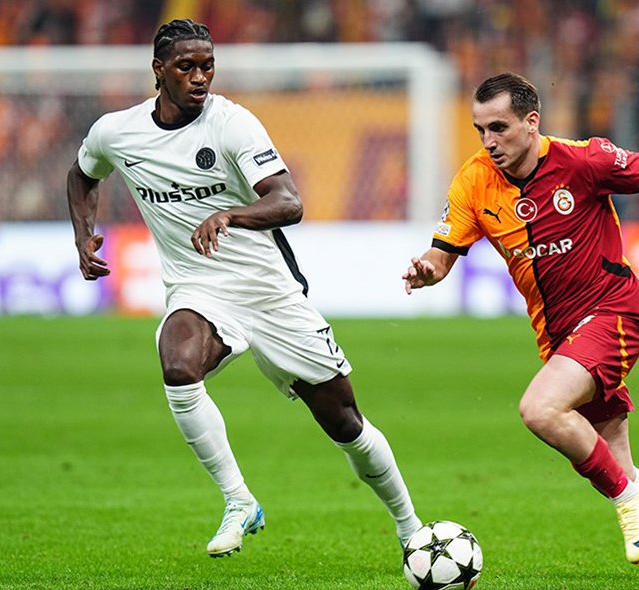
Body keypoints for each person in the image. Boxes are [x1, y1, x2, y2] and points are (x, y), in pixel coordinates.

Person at [402, 73, 639, 590]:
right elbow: (442, 255)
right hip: (560, 339)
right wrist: (427, 271)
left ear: (531, 122)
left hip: (614, 312)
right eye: (480, 130)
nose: (489, 141)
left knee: (540, 410)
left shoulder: (584, 161)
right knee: (618, 465)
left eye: (499, 127)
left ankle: (627, 500)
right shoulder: (473, 182)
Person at [66, 18, 421, 558]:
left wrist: (229, 215)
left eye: (207, 66)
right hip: (198, 287)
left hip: (269, 292)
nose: (200, 77)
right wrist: (82, 234)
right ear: (159, 70)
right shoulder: (117, 132)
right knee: (178, 366)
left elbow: (289, 202)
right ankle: (239, 500)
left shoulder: (232, 124)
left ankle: (410, 528)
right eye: (186, 67)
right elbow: (82, 173)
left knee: (344, 422)